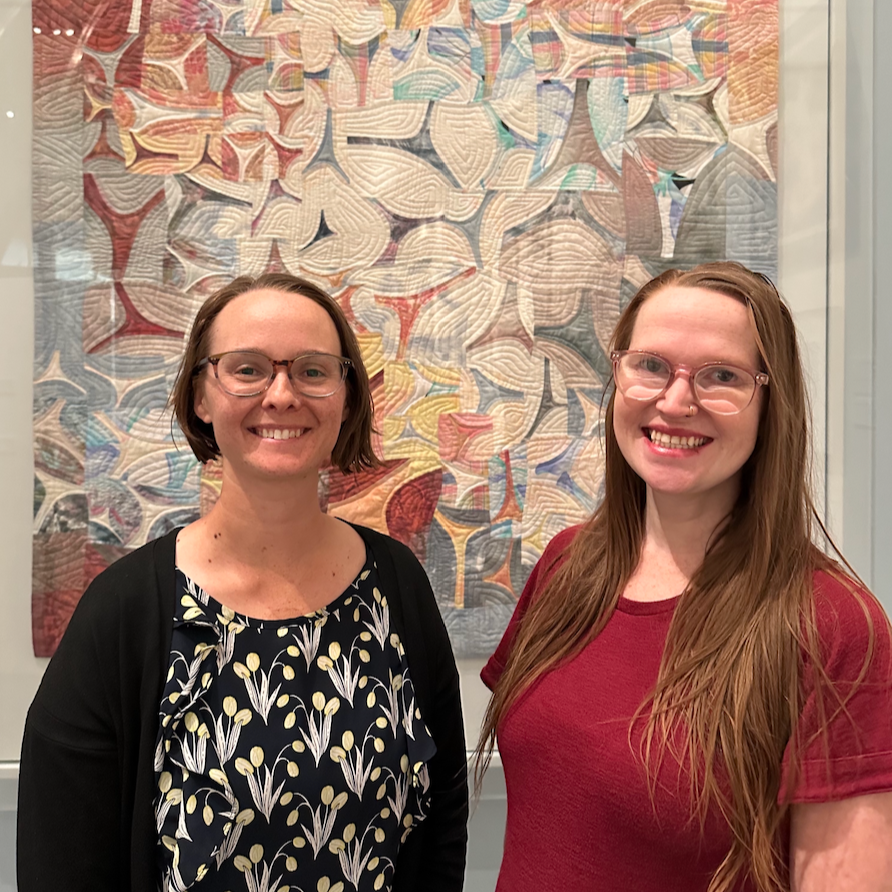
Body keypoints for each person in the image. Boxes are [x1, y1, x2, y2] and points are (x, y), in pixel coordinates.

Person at [18, 273, 468, 892]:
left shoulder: (397, 586)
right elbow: (61, 860)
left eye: (313, 371)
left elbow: (439, 812)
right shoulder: (125, 611)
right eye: (247, 369)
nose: (281, 395)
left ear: (346, 396)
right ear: (202, 396)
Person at [477, 262, 892, 892]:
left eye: (721, 376)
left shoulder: (834, 625)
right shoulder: (568, 566)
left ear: (769, 402)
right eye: (650, 366)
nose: (675, 401)